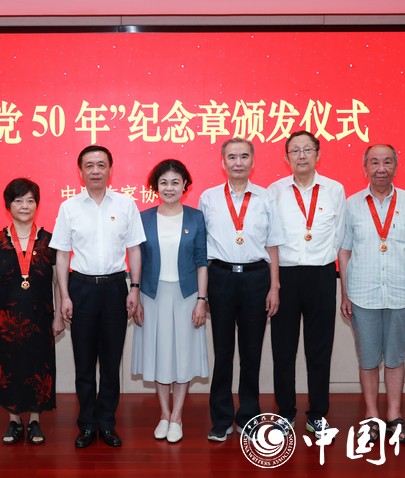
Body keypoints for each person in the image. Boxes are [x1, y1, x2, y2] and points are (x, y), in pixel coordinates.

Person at [49, 145, 145, 448]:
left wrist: (135, 288)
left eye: (101, 165)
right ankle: (87, 424)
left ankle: (107, 423)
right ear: (80, 171)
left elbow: (134, 249)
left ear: (110, 170)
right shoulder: (69, 207)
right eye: (89, 165)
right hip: (81, 288)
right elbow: (62, 255)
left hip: (116, 287)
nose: (95, 170)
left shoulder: (126, 205)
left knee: (111, 361)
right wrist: (64, 296)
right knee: (84, 362)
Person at [199, 137, 284, 442]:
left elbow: (273, 246)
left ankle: (248, 416)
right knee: (223, 352)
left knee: (251, 352)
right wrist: (204, 293)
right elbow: (202, 248)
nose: (238, 162)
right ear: (223, 162)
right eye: (232, 157)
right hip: (221, 277)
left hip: (256, 278)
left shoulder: (266, 198)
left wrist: (274, 287)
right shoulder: (209, 198)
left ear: (252, 161)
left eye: (244, 156)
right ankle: (221, 419)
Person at [338, 144, 405, 444]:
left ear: (395, 166)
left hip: (401, 292)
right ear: (365, 168)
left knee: (396, 358)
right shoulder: (351, 204)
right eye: (374, 162)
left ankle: (394, 416)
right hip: (363, 293)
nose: (381, 168)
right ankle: (371, 415)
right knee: (369, 358)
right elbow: (344, 251)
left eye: (387, 162)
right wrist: (345, 293)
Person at [268, 131, 346, 438]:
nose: (301, 156)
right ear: (286, 157)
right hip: (285, 276)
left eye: (307, 150)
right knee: (283, 350)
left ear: (318, 154)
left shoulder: (334, 190)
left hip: (321, 275)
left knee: (319, 350)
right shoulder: (275, 191)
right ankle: (285, 412)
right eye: (295, 151)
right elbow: (269, 240)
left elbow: (339, 235)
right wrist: (274, 283)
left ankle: (317, 414)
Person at [0, 178, 65, 445]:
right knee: (9, 368)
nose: (25, 206)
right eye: (18, 201)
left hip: (40, 319)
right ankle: (14, 421)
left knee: (39, 367)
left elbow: (59, 281)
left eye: (30, 200)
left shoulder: (49, 241)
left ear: (37, 205)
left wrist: (59, 314)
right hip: (4, 321)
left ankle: (35, 421)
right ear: (8, 206)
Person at [131, 159, 209, 444]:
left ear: (185, 185)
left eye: (175, 182)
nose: (169, 187)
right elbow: (137, 259)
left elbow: (202, 261)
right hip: (152, 296)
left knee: (183, 354)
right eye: (163, 182)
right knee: (159, 354)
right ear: (156, 187)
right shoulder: (144, 218)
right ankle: (164, 414)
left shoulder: (195, 218)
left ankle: (177, 417)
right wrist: (136, 293)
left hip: (186, 295)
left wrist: (201, 299)